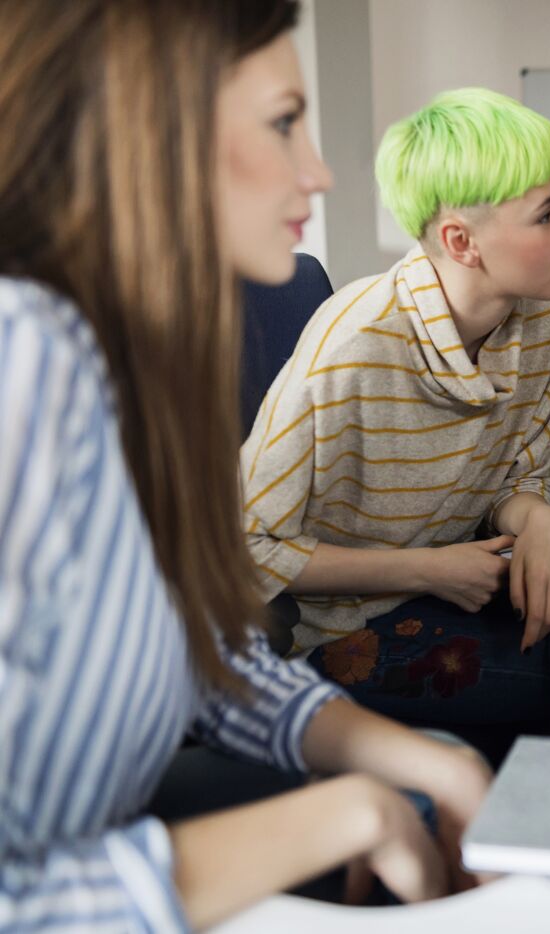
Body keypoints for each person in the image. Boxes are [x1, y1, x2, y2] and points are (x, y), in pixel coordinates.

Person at [0, 1, 498, 927]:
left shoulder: (143, 364)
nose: (317, 169)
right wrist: (343, 813)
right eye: (282, 122)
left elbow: (209, 655)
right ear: (141, 129)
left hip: (112, 835)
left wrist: (427, 763)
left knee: (429, 771)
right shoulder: (18, 351)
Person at [239, 88, 550, 741]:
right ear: (462, 242)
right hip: (351, 624)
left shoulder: (545, 319)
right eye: (547, 213)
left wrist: (542, 517)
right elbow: (246, 547)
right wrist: (425, 568)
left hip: (465, 582)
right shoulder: (353, 347)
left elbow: (521, 475)